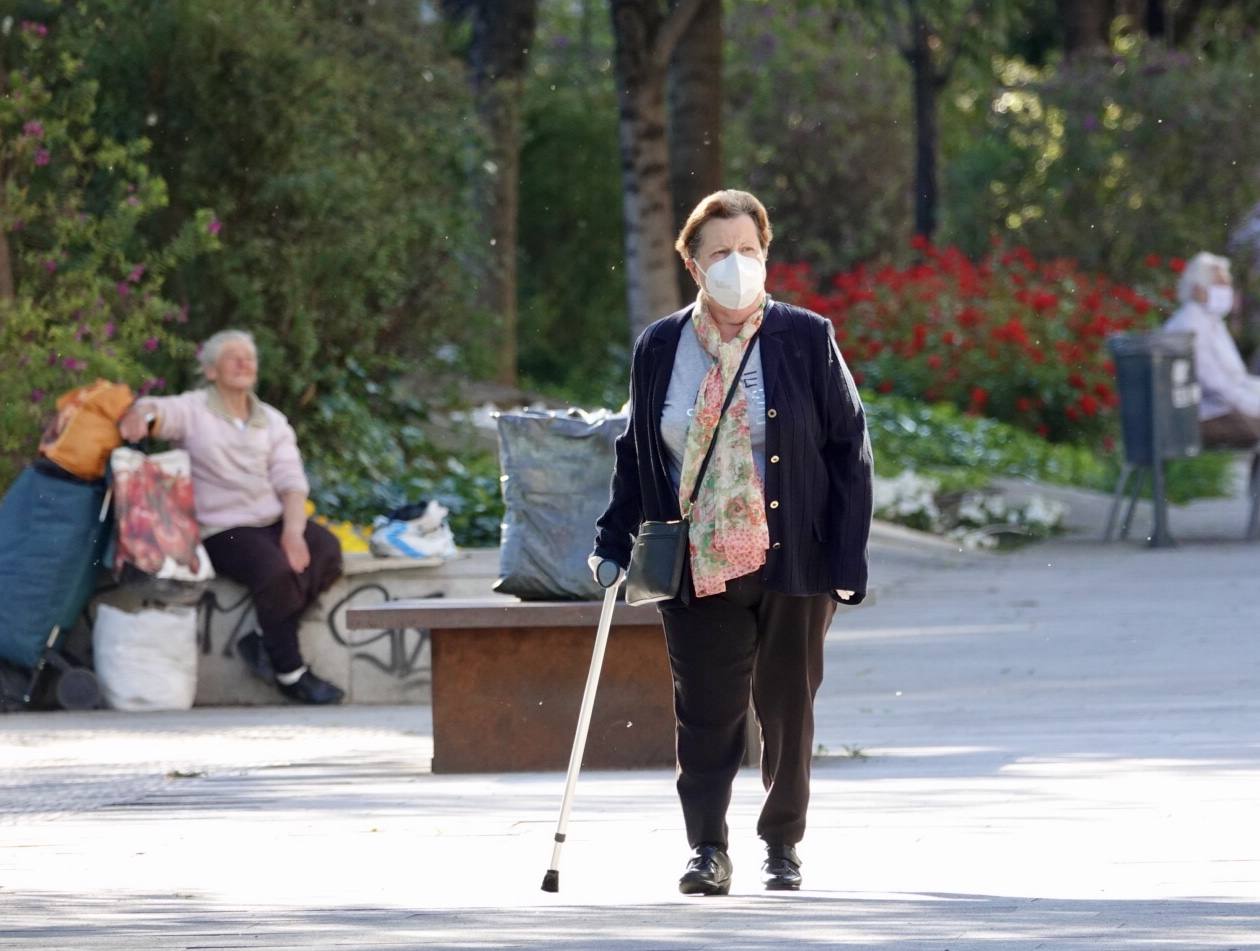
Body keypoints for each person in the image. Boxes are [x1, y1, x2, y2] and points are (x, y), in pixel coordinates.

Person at [589, 189, 873, 895]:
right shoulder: (660, 347)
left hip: (794, 556)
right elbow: (635, 452)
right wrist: (610, 539)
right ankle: (707, 848)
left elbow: (849, 447)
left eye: (748, 250)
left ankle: (782, 844)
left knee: (788, 707)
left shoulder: (806, 337)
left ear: (766, 253)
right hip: (694, 557)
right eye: (720, 253)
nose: (736, 265)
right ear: (693, 263)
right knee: (707, 711)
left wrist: (847, 559)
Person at [118, 330, 345, 705]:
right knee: (275, 571)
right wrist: (142, 414)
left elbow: (291, 481)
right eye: (232, 357)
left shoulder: (272, 420)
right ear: (210, 370)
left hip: (270, 520)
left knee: (328, 552)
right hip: (221, 528)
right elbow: (157, 410)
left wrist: (293, 532)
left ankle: (262, 637)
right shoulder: (193, 410)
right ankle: (290, 673)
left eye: (249, 357)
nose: (243, 363)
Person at [1164, 251, 1260, 448]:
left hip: (1220, 409)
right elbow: (1213, 383)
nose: (1227, 291)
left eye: (1227, 284)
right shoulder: (1189, 324)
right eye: (1220, 284)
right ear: (1198, 289)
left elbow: (1237, 379)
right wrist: (1252, 405)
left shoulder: (1212, 322)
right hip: (1199, 416)